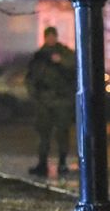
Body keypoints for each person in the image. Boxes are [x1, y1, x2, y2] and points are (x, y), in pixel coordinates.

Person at [26, 26, 75, 176]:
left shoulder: (65, 53)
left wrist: (60, 62)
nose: (51, 39)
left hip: (61, 99)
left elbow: (74, 68)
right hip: (44, 100)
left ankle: (62, 163)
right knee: (43, 133)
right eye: (48, 36)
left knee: (62, 132)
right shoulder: (39, 56)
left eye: (53, 36)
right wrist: (34, 94)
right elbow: (31, 77)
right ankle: (42, 164)